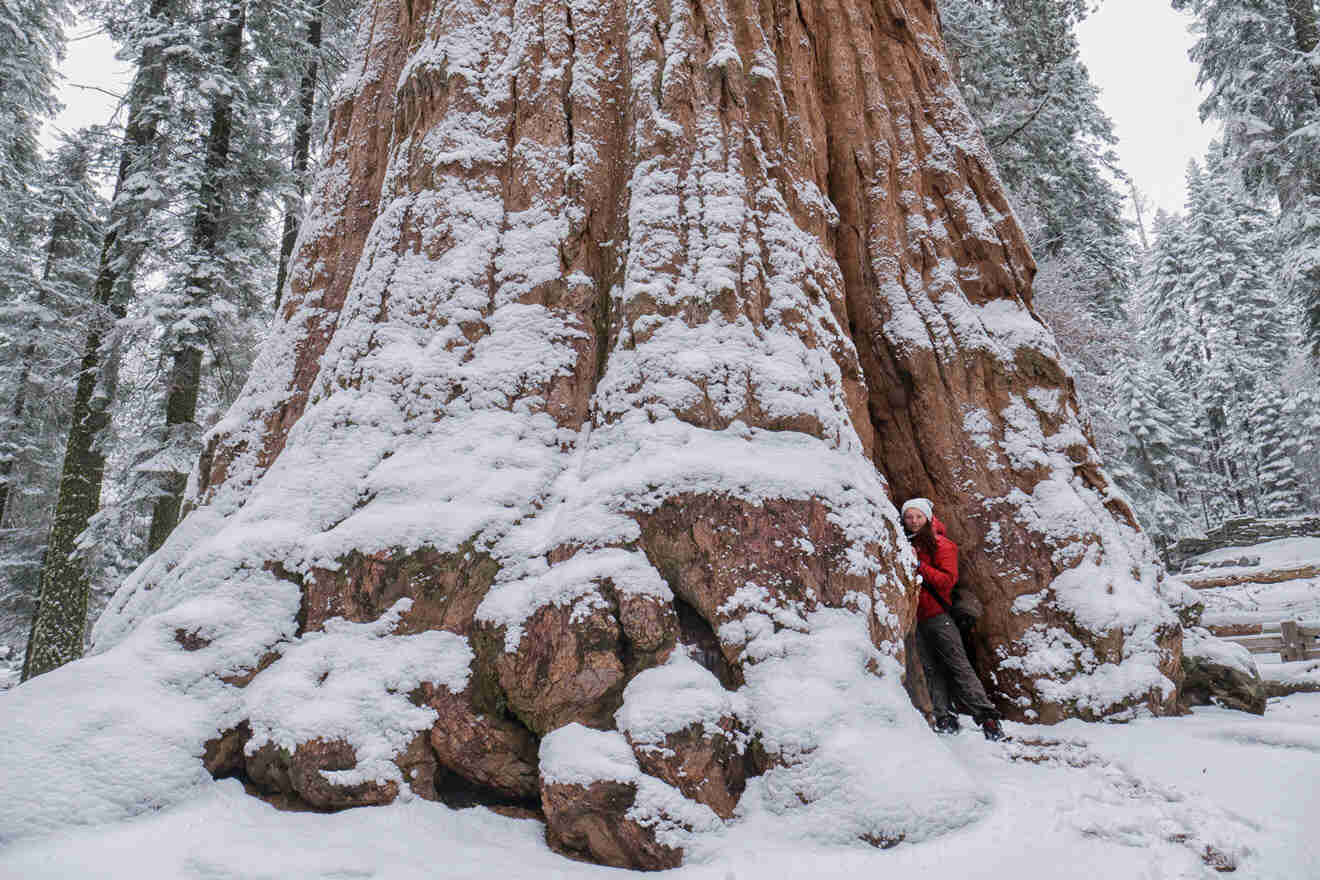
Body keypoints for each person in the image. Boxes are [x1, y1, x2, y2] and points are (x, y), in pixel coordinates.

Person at [901, 497, 1005, 741]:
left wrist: (919, 565)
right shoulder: (905, 542)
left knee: (957, 664)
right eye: (909, 517)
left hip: (937, 614)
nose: (914, 521)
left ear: (927, 518)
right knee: (929, 668)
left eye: (918, 516)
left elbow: (947, 580)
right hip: (915, 617)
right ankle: (944, 716)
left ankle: (988, 718)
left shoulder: (942, 545)